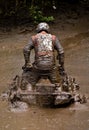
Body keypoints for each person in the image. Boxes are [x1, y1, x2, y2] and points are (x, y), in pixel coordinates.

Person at [22, 22, 65, 87]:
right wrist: (61, 65)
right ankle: (58, 88)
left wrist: (27, 63)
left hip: (38, 67)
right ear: (48, 29)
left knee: (30, 83)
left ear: (38, 29)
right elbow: (61, 52)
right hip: (51, 68)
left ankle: (30, 89)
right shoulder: (53, 38)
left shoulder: (34, 38)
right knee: (58, 83)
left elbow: (26, 50)